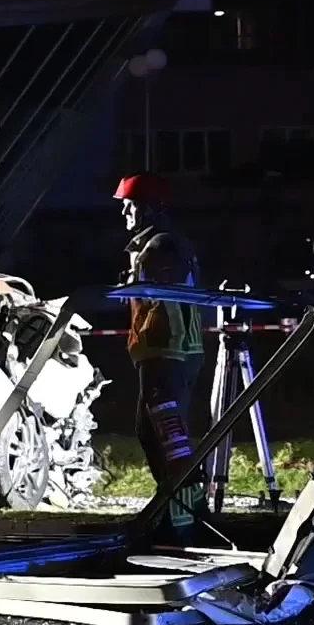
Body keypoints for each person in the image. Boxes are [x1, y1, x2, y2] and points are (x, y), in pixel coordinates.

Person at [113, 172, 205, 543]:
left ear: (149, 208)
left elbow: (161, 287)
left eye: (129, 207)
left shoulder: (163, 245)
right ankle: (174, 505)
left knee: (169, 437)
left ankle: (184, 517)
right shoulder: (150, 244)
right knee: (149, 432)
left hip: (170, 350)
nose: (124, 214)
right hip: (159, 351)